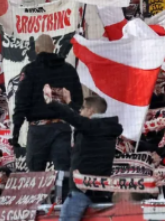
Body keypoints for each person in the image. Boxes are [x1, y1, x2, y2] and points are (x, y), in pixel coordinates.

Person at [41, 86, 122, 221]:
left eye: (83, 108)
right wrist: (69, 102)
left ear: (90, 111)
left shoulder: (92, 127)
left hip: (82, 191)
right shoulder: (102, 127)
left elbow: (74, 118)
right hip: (99, 191)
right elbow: (80, 117)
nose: (80, 110)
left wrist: (51, 101)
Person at [13, 34, 83, 173]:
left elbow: (21, 102)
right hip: (61, 127)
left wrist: (16, 130)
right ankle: (62, 188)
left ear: (36, 49)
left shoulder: (30, 70)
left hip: (38, 130)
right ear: (53, 47)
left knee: (35, 174)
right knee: (63, 173)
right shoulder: (68, 69)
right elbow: (78, 101)